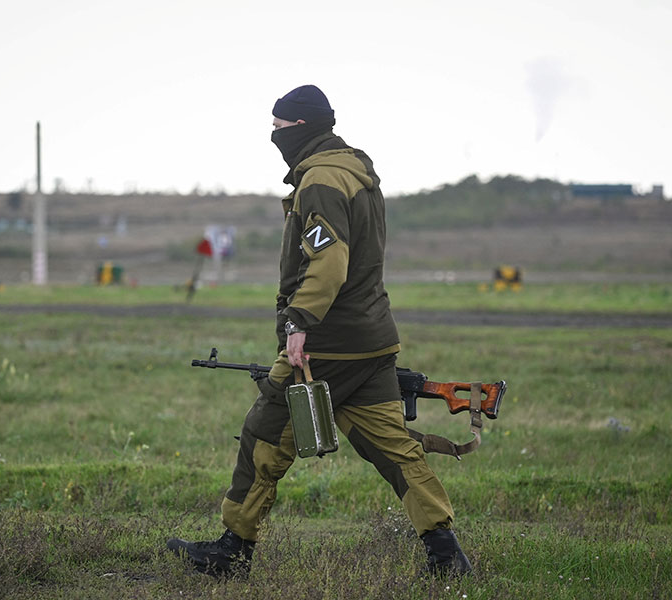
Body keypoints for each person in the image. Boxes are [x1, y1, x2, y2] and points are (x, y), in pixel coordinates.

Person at [166, 84, 471, 579]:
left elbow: (330, 260)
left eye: (279, 126)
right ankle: (447, 555)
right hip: (372, 340)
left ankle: (232, 551)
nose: (273, 134)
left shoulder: (320, 181)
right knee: (394, 449)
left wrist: (299, 321)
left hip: (326, 344)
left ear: (302, 126)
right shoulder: (355, 174)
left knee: (264, 434)